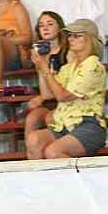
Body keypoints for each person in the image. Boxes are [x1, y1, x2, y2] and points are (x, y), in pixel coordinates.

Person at [25, 19, 106, 159]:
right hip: (63, 124)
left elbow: (62, 96)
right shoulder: (69, 67)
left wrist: (45, 69)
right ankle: (41, 175)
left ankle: (76, 174)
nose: (70, 39)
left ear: (90, 39)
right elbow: (47, 94)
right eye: (70, 35)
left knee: (53, 152)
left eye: (77, 35)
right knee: (34, 140)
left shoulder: (93, 65)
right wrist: (41, 66)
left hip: (88, 125)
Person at [22, 11, 69, 139]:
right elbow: (46, 93)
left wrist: (42, 97)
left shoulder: (68, 52)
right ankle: (31, 151)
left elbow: (68, 86)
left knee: (51, 118)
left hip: (67, 100)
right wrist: (40, 65)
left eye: (50, 24)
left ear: (59, 27)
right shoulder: (39, 53)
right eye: (41, 25)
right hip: (49, 100)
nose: (45, 28)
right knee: (32, 119)